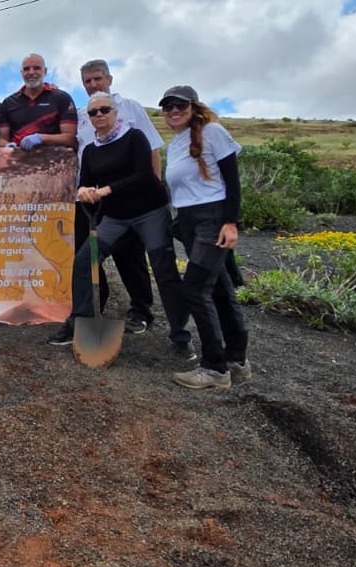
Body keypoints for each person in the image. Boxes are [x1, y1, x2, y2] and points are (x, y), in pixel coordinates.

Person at [46, 93, 189, 354]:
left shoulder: (134, 138)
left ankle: (181, 336)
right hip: (115, 217)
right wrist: (85, 192)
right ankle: (81, 322)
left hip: (150, 212)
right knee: (83, 262)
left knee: (164, 270)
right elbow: (86, 184)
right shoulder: (90, 150)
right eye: (93, 113)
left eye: (104, 110)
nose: (99, 115)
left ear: (115, 113)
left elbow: (145, 176)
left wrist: (105, 190)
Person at [159, 85, 250, 389]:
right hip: (188, 219)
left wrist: (231, 221)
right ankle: (236, 361)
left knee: (195, 290)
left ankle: (215, 368)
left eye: (179, 106)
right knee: (220, 289)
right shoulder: (175, 143)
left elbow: (232, 180)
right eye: (168, 106)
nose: (173, 111)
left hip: (212, 218)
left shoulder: (212, 132)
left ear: (194, 107)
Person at [75, 59, 164, 338]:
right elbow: (83, 155)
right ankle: (89, 313)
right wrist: (84, 190)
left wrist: (154, 188)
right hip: (96, 199)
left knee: (131, 257)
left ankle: (141, 310)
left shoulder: (131, 109)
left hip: (136, 200)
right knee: (87, 257)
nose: (93, 85)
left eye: (97, 79)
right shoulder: (82, 114)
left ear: (109, 79)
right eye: (87, 81)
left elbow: (152, 151)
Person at [0, 53, 77, 150]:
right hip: (18, 162)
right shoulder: (8, 103)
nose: (31, 72)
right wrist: (7, 146)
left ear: (45, 71)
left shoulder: (62, 98)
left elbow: (71, 138)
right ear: (21, 73)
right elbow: (2, 139)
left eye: (36, 68)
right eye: (26, 69)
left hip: (53, 161)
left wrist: (41, 138)